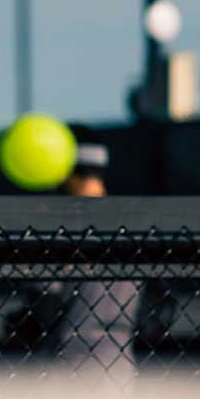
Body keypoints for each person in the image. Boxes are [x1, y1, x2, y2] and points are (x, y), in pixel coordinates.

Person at [52, 127, 143, 384]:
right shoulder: (129, 228)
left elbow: (44, 306)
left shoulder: (60, 229)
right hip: (120, 370)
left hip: (70, 373)